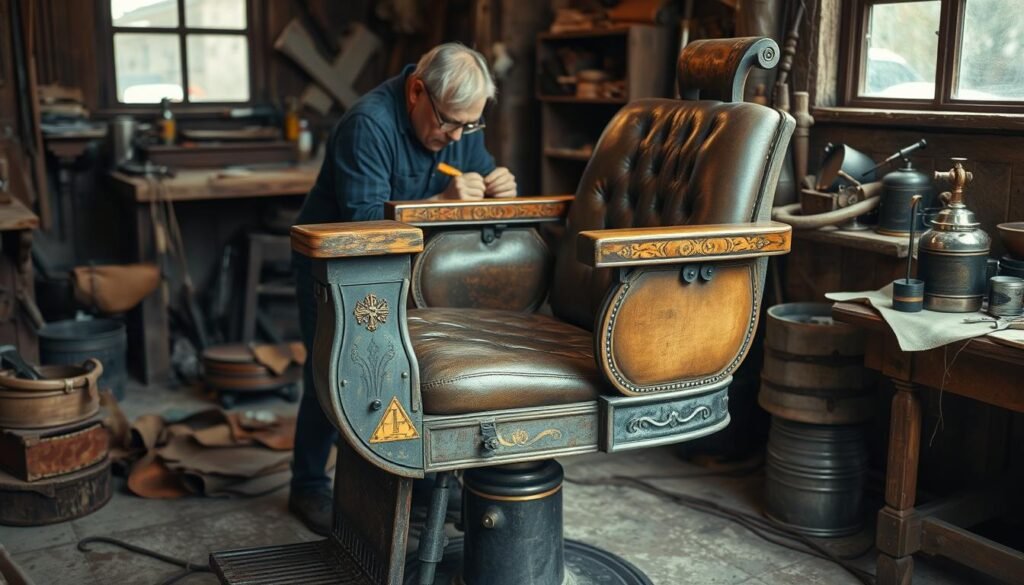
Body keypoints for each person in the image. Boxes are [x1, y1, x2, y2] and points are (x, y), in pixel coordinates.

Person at [289, 43, 517, 535]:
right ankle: (307, 484)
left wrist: (498, 190)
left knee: (407, 371)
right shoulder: (367, 125)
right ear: (417, 91)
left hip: (414, 269)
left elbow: (476, 174)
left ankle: (411, 477)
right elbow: (363, 226)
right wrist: (439, 202)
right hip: (336, 265)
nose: (456, 137)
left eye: (468, 126)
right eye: (450, 124)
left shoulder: (456, 124)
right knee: (331, 373)